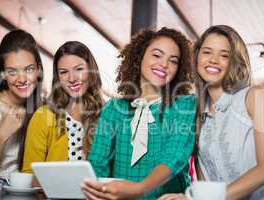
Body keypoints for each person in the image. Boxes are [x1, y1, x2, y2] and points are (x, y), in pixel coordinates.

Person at [159, 25, 264, 200]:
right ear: (197, 57)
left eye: (224, 55)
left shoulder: (256, 95)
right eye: (207, 52)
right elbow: (204, 181)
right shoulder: (197, 115)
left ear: (234, 61)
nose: (213, 60)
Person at [81, 27, 196, 199]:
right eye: (157, 55)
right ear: (140, 56)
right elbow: (98, 163)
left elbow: (173, 157)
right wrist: (98, 191)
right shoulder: (113, 109)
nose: (164, 64)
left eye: (173, 61)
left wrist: (138, 188)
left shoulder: (184, 105)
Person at [22, 41, 104, 185]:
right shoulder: (43, 116)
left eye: (79, 69)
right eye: (64, 72)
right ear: (57, 77)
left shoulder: (106, 114)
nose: (72, 79)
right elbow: (29, 174)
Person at [0, 29, 43, 198]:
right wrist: (2, 134)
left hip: (28, 191)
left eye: (29, 69)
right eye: (12, 71)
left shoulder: (43, 108)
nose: (22, 79)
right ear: (3, 75)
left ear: (38, 70)